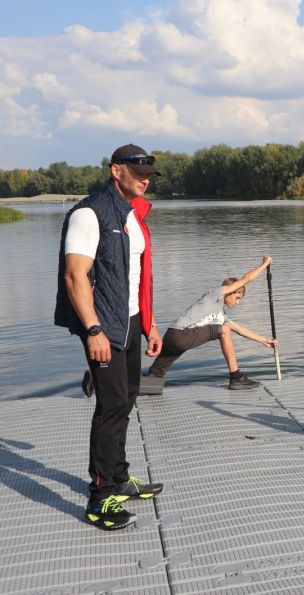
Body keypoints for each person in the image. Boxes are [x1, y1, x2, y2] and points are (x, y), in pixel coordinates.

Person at [55, 143, 165, 531]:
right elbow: (75, 275)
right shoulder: (90, 213)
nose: (146, 179)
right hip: (104, 327)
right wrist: (94, 330)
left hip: (131, 322)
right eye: (139, 173)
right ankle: (100, 498)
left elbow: (135, 277)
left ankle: (119, 477)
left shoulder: (132, 214)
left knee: (128, 397)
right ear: (116, 171)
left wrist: (148, 325)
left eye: (150, 174)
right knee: (112, 405)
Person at [145, 257, 278, 389]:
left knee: (156, 373)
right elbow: (246, 279)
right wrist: (264, 263)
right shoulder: (216, 294)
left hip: (172, 335)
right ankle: (236, 377)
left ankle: (146, 386)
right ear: (230, 291)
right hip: (180, 333)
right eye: (237, 298)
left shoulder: (220, 316)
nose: (237, 303)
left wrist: (264, 340)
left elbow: (239, 329)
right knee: (224, 330)